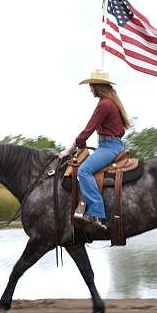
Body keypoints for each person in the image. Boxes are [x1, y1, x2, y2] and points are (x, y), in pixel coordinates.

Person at [59, 70, 131, 230]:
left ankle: (97, 211)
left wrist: (69, 149)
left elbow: (88, 129)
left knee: (84, 171)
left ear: (97, 86)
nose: (90, 89)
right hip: (111, 145)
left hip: (109, 147)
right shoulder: (111, 102)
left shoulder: (105, 104)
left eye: (91, 86)